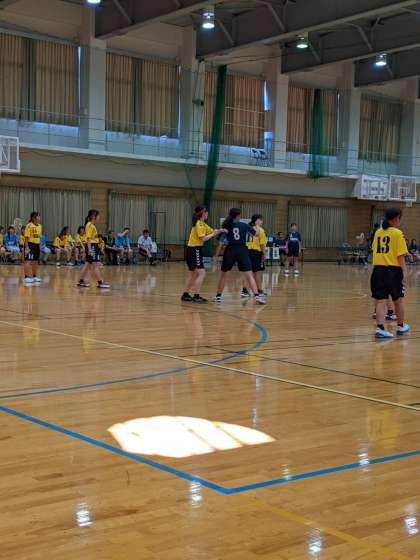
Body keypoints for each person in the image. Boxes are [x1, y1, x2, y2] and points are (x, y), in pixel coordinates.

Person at [214, 208, 266, 305]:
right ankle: (257, 296)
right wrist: (257, 226)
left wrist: (216, 256)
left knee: (224, 275)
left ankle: (218, 296)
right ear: (238, 215)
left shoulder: (226, 225)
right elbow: (256, 234)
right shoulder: (244, 225)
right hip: (242, 250)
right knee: (249, 274)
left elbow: (220, 243)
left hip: (230, 250)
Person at [371, 208, 409, 338]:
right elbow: (400, 255)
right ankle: (401, 326)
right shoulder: (398, 233)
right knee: (398, 300)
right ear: (397, 218)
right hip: (393, 271)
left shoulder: (378, 232)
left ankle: (380, 329)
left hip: (377, 270)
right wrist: (404, 271)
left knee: (380, 300)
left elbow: (374, 250)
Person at [181, 205, 224, 303]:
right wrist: (213, 234)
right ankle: (196, 296)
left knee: (194, 275)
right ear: (203, 213)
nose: (207, 213)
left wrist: (221, 230)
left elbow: (213, 231)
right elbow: (203, 238)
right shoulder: (199, 224)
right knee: (202, 273)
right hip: (194, 249)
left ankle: (185, 294)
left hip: (195, 250)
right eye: (206, 212)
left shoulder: (203, 224)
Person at [77, 209, 110, 289]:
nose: (99, 217)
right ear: (93, 216)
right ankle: (100, 283)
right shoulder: (89, 225)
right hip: (92, 246)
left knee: (87, 265)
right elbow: (88, 238)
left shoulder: (91, 225)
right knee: (95, 265)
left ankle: (81, 281)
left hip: (92, 246)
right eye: (98, 215)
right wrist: (89, 250)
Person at [241, 213, 267, 298]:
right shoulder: (260, 230)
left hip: (245, 252)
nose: (262, 221)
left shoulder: (246, 228)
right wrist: (264, 254)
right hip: (255, 253)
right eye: (261, 220)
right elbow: (262, 244)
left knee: (247, 272)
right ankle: (259, 290)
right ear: (257, 220)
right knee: (257, 273)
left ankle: (244, 291)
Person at [23, 211, 42, 286]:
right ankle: (26, 277)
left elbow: (38, 237)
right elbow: (26, 238)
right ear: (34, 218)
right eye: (38, 216)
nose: (39, 218)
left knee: (35, 262)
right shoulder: (29, 225)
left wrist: (39, 246)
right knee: (28, 261)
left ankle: (34, 276)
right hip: (30, 245)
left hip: (37, 245)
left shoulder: (40, 226)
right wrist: (27, 247)